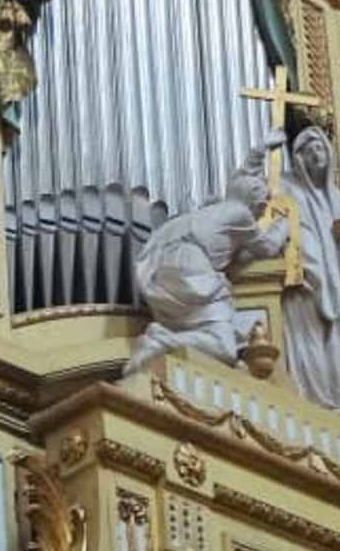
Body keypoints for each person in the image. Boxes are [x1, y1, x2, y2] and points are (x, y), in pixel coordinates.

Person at [124, 138, 289, 377]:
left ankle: (171, 336)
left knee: (218, 332)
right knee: (224, 347)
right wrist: (285, 224)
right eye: (262, 205)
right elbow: (267, 247)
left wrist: (260, 149)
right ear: (251, 199)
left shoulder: (214, 211)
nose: (262, 211)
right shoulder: (240, 213)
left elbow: (241, 177)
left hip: (161, 267)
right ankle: (162, 342)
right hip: (190, 267)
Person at [277, 123, 340, 414]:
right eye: (311, 150)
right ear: (299, 156)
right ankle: (320, 397)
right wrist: (308, 266)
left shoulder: (335, 197)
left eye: (321, 148)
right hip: (305, 275)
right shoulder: (286, 186)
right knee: (310, 339)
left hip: (333, 277)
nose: (318, 154)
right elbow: (284, 226)